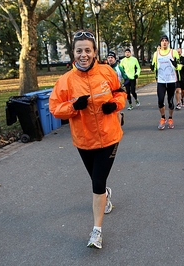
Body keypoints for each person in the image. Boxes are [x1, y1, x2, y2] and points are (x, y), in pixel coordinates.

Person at [49, 30, 127, 249]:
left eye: (88, 50)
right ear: (73, 53)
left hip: (110, 136)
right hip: (84, 140)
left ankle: (97, 231)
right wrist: (73, 106)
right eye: (79, 50)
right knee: (97, 180)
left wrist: (115, 104)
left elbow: (120, 93)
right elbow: (54, 108)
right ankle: (106, 195)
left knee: (97, 182)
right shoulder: (65, 81)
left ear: (95, 52)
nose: (84, 54)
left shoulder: (107, 72)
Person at [150, 35, 180, 129]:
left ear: (168, 42)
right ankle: (163, 118)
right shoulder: (156, 53)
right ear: (160, 43)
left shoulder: (173, 52)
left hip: (171, 80)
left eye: (166, 41)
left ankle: (170, 118)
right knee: (160, 101)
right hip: (161, 81)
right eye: (162, 41)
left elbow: (179, 66)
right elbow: (154, 66)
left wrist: (176, 65)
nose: (164, 42)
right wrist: (152, 68)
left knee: (170, 101)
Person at [107, 51, 128, 126]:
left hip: (117, 91)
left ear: (115, 59)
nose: (110, 59)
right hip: (107, 92)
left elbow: (127, 79)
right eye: (108, 58)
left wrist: (122, 85)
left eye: (112, 58)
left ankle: (118, 128)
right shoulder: (104, 68)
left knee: (117, 110)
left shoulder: (119, 68)